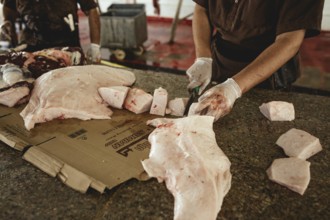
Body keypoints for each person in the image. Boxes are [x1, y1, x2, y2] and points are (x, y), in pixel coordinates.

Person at [187, 0, 325, 121]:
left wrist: (234, 87)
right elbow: (201, 8)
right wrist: (204, 58)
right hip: (219, 60)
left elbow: (289, 40)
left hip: (269, 72)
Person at [0, 0, 101, 63]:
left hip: (66, 46)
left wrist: (95, 46)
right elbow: (8, 8)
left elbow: (91, 9)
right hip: (29, 47)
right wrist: (6, 22)